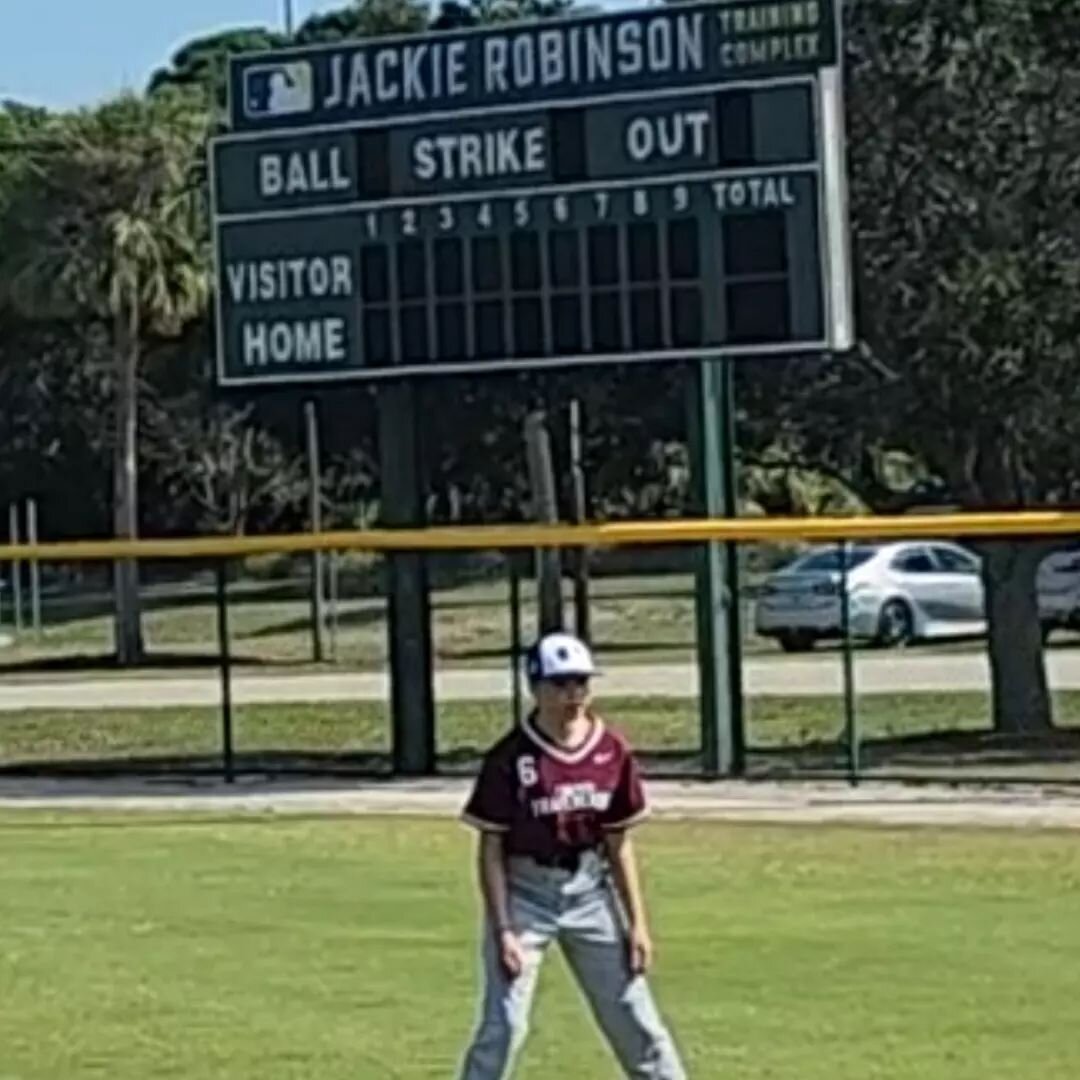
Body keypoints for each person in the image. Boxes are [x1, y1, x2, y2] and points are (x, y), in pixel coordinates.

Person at [457, 630, 688, 1078]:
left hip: (589, 891)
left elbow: (619, 843)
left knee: (636, 1019)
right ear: (536, 687)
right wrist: (504, 930)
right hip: (525, 894)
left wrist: (637, 923)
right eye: (561, 684)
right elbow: (490, 850)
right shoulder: (510, 757)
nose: (573, 694)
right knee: (504, 1025)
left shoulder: (611, 750)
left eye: (581, 682)